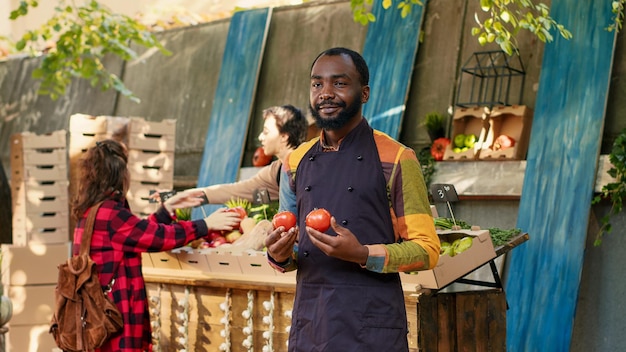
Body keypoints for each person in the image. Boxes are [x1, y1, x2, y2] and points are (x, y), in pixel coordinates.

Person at [264, 47, 441, 351]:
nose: (326, 93)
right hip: (311, 323)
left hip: (372, 328)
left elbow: (427, 250)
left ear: (364, 93)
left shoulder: (397, 158)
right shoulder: (295, 161)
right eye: (317, 84)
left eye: (340, 83)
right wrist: (279, 255)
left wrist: (362, 254)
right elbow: (291, 247)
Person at [71, 139, 241, 352]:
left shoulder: (91, 211)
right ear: (117, 175)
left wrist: (166, 210)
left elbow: (138, 234)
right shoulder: (111, 214)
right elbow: (157, 238)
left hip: (95, 314)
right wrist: (205, 225)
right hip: (113, 314)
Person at [189, 104, 307, 204]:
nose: (261, 137)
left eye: (266, 132)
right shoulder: (275, 172)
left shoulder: (310, 165)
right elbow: (235, 191)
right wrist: (191, 196)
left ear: (284, 137)